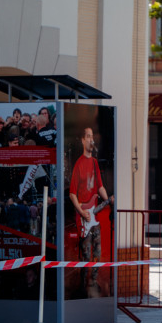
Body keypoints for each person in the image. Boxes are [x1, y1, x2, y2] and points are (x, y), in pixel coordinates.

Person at [69, 127, 112, 298]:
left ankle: (92, 281)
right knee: (86, 254)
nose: (90, 140)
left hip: (95, 218)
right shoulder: (78, 164)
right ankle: (82, 284)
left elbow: (100, 186)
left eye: (92, 137)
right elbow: (72, 193)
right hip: (85, 217)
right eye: (87, 137)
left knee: (98, 252)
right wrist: (81, 212)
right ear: (82, 140)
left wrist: (109, 200)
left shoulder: (94, 162)